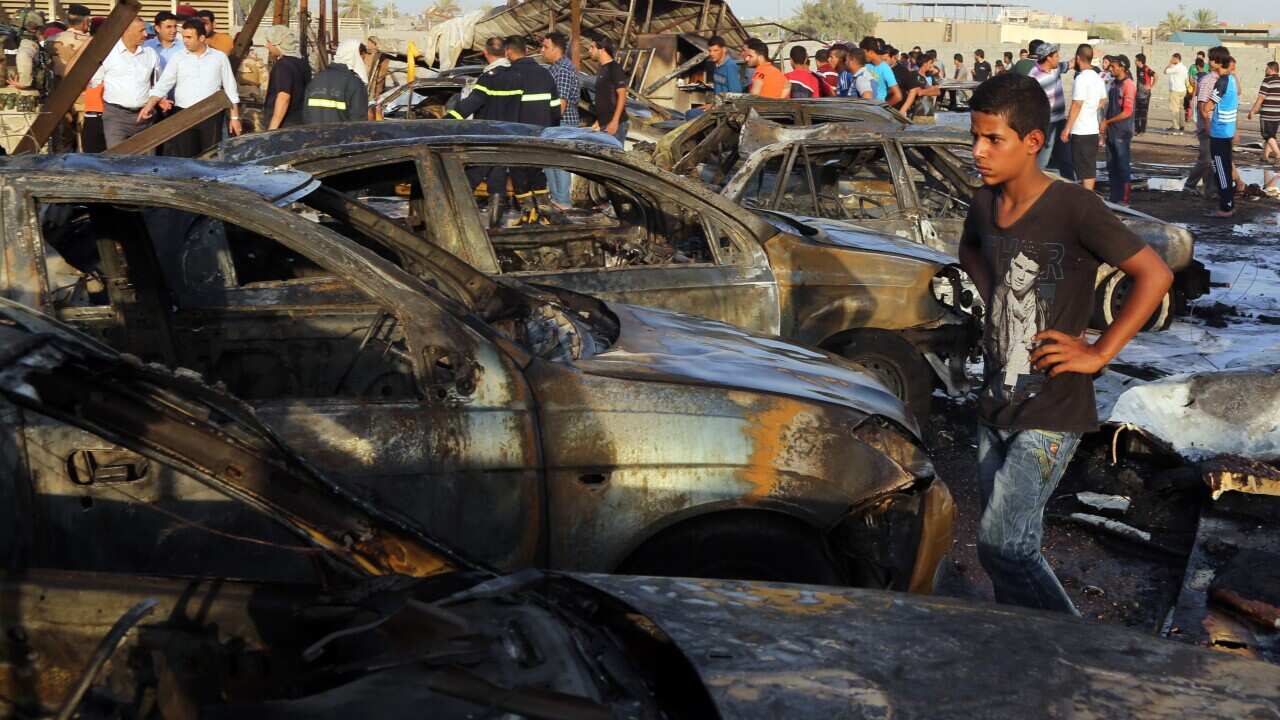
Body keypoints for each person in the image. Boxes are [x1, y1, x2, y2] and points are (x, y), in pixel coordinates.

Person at [960, 72, 1173, 616]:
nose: (978, 152)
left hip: (1054, 406)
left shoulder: (1073, 207)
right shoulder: (984, 204)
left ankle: (1076, 648)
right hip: (995, 401)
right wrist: (998, 299)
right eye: (975, 137)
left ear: (1033, 142)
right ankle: (1026, 647)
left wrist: (1099, 353)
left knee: (1004, 543)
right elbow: (972, 253)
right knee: (1004, 551)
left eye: (993, 140)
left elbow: (1153, 274)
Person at [139, 18, 240, 157]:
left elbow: (230, 89)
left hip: (211, 115)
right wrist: (149, 106)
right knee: (184, 157)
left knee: (210, 157)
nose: (185, 41)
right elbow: (163, 85)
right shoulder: (178, 57)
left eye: (189, 37)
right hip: (183, 115)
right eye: (184, 37)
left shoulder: (219, 58)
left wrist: (235, 118)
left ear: (202, 38)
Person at [505, 35, 559, 223]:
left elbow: (505, 110)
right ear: (527, 51)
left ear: (508, 52)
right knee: (537, 172)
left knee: (519, 173)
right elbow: (555, 107)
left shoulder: (509, 75)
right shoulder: (545, 74)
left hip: (516, 136)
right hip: (541, 135)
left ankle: (528, 215)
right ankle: (545, 214)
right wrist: (550, 132)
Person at [89, 17, 158, 149]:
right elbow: (93, 82)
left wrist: (155, 103)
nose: (145, 34)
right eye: (141, 30)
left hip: (145, 117)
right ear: (125, 31)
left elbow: (156, 84)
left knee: (146, 162)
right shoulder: (107, 54)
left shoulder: (150, 54)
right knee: (117, 159)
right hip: (116, 117)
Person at [541, 32, 580, 210]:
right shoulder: (554, 68)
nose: (542, 51)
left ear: (556, 49)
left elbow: (561, 104)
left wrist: (548, 123)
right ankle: (557, 200)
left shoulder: (563, 69)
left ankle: (563, 202)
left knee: (560, 164)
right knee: (550, 163)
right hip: (555, 124)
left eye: (545, 47)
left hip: (562, 124)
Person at [1061, 44, 1106, 191]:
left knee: (1083, 169)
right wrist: (1092, 108)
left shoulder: (1081, 79)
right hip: (1091, 128)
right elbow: (1103, 100)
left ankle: (1086, 199)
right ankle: (1087, 197)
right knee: (1088, 167)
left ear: (1078, 58)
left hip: (1081, 130)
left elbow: (1077, 105)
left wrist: (1067, 129)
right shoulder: (1097, 77)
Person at [1203, 47, 1239, 218]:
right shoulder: (1231, 79)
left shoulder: (1222, 82)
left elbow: (1208, 106)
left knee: (1221, 170)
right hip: (1227, 131)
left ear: (1218, 61)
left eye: (1211, 59)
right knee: (1224, 167)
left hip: (1220, 132)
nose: (1209, 62)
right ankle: (1228, 203)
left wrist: (1204, 108)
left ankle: (1226, 207)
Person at [1028, 42, 1072, 179]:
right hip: (1047, 124)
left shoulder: (1056, 68)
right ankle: (1034, 184)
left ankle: (1072, 188)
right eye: (1056, 56)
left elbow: (1070, 64)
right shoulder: (1034, 77)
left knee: (1066, 157)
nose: (1059, 58)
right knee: (1043, 159)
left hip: (1060, 120)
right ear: (1048, 58)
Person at [303, 39, 369, 124]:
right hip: (341, 136)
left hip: (314, 135)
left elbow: (306, 114)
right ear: (355, 57)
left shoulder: (317, 79)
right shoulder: (355, 84)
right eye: (362, 59)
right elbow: (359, 121)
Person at [1100, 55, 1136, 205]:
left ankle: (1125, 198)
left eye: (1114, 66)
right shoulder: (1114, 83)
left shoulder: (1128, 85)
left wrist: (1107, 121)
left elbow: (1127, 111)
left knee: (1122, 163)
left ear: (1122, 68)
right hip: (1111, 130)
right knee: (1111, 163)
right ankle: (1115, 196)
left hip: (1122, 130)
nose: (1111, 68)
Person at [1185, 55, 1220, 199]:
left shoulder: (1222, 80)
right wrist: (1207, 125)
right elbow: (1202, 106)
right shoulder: (1208, 80)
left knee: (1212, 158)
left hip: (1216, 124)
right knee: (1205, 158)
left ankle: (1210, 189)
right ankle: (1190, 185)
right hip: (1208, 125)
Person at [263, 24, 309, 129]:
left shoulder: (283, 65)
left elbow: (284, 97)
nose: (266, 45)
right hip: (299, 121)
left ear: (278, 44)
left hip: (284, 125)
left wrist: (272, 129)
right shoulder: (302, 63)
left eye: (269, 42)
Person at [585, 35, 629, 142]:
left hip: (615, 124)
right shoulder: (602, 69)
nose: (589, 51)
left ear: (602, 50)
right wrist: (599, 121)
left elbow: (622, 95)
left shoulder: (614, 68)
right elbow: (605, 97)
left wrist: (614, 121)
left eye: (592, 47)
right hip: (604, 123)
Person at [80, 16, 107, 152]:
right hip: (92, 113)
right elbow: (69, 72)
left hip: (112, 115)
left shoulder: (117, 52)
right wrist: (89, 42)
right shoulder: (88, 53)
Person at [1246, 61, 1280, 164]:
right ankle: (1264, 156)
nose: (1265, 70)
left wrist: (1253, 111)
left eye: (1266, 68)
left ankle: (1278, 154)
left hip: (1267, 114)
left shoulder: (1267, 81)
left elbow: (1261, 98)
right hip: (1277, 114)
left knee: (1267, 135)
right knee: (1271, 135)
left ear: (1271, 69)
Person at [859, 36, 902, 105]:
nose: (862, 55)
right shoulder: (864, 64)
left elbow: (898, 96)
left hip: (876, 111)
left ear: (870, 52)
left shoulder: (885, 68)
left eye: (863, 52)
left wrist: (882, 108)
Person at [896, 51, 939, 116]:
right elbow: (913, 93)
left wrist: (923, 91)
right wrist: (901, 112)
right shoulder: (914, 75)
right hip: (916, 112)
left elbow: (938, 91)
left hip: (929, 112)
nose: (932, 65)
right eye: (930, 63)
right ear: (925, 63)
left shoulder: (930, 76)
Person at [1165, 53, 1189, 134]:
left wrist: (1169, 63)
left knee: (1174, 109)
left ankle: (1176, 127)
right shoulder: (1184, 67)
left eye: (1173, 58)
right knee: (1181, 108)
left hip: (1175, 90)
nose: (1171, 59)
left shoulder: (1176, 67)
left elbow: (1165, 71)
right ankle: (1182, 125)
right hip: (1182, 90)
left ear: (1176, 59)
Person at [1133, 53, 1154, 134]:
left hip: (1145, 94)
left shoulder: (1146, 69)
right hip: (1138, 93)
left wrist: (1151, 86)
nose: (1134, 61)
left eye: (1136, 60)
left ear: (1139, 61)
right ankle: (1136, 129)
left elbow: (1156, 76)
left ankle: (1142, 130)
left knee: (1143, 113)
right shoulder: (1138, 68)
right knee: (1136, 112)